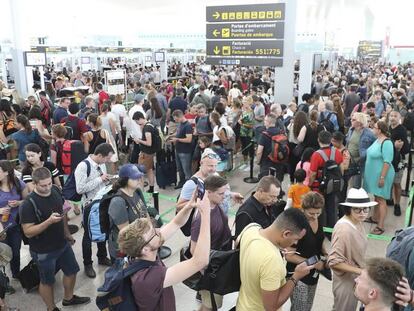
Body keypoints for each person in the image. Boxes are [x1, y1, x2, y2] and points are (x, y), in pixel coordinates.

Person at [117, 187, 211, 310]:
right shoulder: (148, 278)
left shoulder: (139, 254)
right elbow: (200, 261)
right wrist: (206, 215)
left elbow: (176, 223)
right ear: (144, 249)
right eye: (153, 233)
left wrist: (189, 206)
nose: (158, 232)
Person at [20, 168, 90, 311]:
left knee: (72, 271)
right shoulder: (28, 204)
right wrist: (48, 222)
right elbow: (28, 232)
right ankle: (51, 308)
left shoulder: (56, 191)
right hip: (43, 251)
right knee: (47, 281)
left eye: (49, 184)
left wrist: (67, 233)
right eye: (43, 185)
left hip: (62, 244)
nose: (47, 188)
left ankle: (68, 298)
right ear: (34, 184)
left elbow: (62, 213)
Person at [236, 208, 314, 311]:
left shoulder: (252, 228)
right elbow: (271, 307)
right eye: (296, 239)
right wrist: (296, 276)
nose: (295, 243)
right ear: (286, 234)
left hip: (242, 305)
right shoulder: (271, 260)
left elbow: (237, 246)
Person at [328, 188, 376, 311]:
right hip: (346, 282)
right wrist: (361, 271)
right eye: (357, 209)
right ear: (349, 209)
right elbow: (333, 261)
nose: (363, 213)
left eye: (366, 209)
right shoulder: (344, 229)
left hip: (354, 279)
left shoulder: (357, 221)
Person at [190, 175, 232, 311]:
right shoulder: (201, 218)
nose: (224, 196)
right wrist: (207, 274)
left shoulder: (214, 205)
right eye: (221, 193)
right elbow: (194, 249)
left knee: (211, 304)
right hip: (210, 271)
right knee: (211, 305)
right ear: (208, 193)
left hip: (218, 265)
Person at [74, 143, 114, 278]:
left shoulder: (101, 164)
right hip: (89, 205)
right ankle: (88, 264)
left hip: (102, 202)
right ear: (99, 155)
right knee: (88, 235)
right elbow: (80, 188)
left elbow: (101, 181)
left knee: (103, 229)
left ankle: (102, 256)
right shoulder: (83, 166)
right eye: (107, 158)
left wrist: (107, 180)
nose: (108, 161)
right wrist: (99, 179)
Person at [286, 192, 328, 311]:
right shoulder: (297, 225)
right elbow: (289, 255)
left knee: (307, 306)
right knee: (299, 308)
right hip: (297, 275)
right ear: (303, 209)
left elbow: (319, 239)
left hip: (313, 273)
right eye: (311, 213)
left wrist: (325, 253)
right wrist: (313, 263)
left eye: (317, 213)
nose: (314, 216)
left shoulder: (320, 218)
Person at [107, 164, 148, 262]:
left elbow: (145, 213)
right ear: (125, 180)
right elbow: (126, 233)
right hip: (125, 250)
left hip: (140, 241)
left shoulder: (137, 191)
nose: (139, 179)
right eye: (135, 178)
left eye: (139, 176)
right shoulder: (118, 202)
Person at [363, 120, 395, 235]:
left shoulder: (386, 143)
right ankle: (375, 218)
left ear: (379, 130)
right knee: (376, 197)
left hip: (382, 175)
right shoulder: (377, 140)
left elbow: (387, 162)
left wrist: (382, 177)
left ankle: (380, 225)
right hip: (374, 175)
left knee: (381, 199)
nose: (373, 129)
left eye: (374, 127)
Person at [308, 131, 343, 230]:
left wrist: (310, 184)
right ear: (330, 140)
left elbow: (313, 173)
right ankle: (331, 230)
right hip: (333, 185)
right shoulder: (336, 152)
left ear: (318, 140)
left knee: (320, 207)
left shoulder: (316, 155)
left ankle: (321, 228)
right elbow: (342, 169)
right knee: (332, 207)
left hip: (320, 186)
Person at [0, 160, 28, 283]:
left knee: (15, 252)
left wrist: (18, 203)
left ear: (6, 172)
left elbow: (27, 200)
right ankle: (3, 280)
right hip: (1, 227)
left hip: (15, 224)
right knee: (3, 255)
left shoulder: (18, 184)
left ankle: (16, 273)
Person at [345, 112, 375, 188]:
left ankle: (356, 199)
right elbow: (348, 142)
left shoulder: (369, 133)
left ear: (360, 122)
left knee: (356, 185)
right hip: (349, 160)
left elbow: (375, 146)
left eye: (353, 119)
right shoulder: (351, 130)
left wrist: (365, 155)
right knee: (347, 183)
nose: (351, 120)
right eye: (351, 119)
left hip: (360, 163)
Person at [389, 111, 409, 216]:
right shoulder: (389, 128)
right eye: (391, 116)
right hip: (389, 159)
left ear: (399, 118)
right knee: (390, 181)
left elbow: (403, 147)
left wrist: (396, 146)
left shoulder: (402, 130)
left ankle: (397, 204)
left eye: (395, 116)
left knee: (397, 183)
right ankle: (391, 199)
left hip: (398, 160)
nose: (392, 118)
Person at [132, 111, 158, 193]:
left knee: (140, 173)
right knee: (149, 170)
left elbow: (148, 143)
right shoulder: (149, 125)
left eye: (137, 121)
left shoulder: (147, 128)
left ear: (139, 119)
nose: (137, 124)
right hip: (150, 153)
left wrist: (139, 140)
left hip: (146, 153)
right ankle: (151, 188)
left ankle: (141, 191)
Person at [256, 113, 285, 181]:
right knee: (277, 184)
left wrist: (258, 161)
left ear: (269, 122)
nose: (264, 122)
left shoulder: (264, 134)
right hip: (279, 163)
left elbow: (259, 151)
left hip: (267, 164)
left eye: (265, 120)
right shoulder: (281, 132)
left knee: (266, 186)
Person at [170, 110, 193, 189]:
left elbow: (189, 139)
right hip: (178, 150)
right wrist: (171, 136)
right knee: (180, 168)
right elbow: (178, 133)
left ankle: (189, 185)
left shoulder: (187, 126)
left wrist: (177, 139)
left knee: (186, 169)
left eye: (176, 119)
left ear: (180, 116)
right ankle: (182, 182)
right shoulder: (180, 124)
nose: (175, 121)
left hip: (185, 151)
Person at [238, 96, 254, 168]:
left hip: (248, 133)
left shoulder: (251, 112)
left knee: (249, 148)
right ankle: (245, 163)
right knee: (244, 147)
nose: (243, 104)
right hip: (242, 132)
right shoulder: (243, 111)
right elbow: (241, 119)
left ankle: (250, 164)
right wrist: (240, 120)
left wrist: (242, 124)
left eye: (245, 102)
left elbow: (251, 125)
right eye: (243, 102)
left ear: (249, 103)